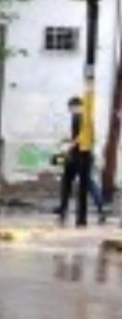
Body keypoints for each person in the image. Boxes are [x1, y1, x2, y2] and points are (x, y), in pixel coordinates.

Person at [55, 96, 106, 225]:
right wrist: (68, 140)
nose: (69, 110)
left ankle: (65, 210)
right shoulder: (84, 118)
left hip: (79, 156)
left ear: (76, 106)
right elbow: (80, 135)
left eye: (70, 107)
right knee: (77, 182)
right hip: (81, 155)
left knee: (80, 183)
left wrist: (70, 146)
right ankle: (64, 209)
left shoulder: (80, 117)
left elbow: (82, 136)